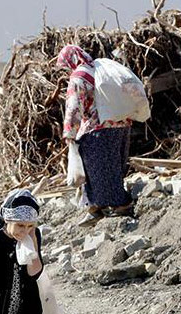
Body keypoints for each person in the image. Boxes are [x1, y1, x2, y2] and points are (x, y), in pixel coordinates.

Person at [57, 45, 134, 227]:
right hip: (120, 126)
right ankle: (95, 208)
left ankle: (121, 205)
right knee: (113, 166)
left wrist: (70, 131)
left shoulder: (79, 77)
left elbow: (74, 106)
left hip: (97, 129)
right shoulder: (100, 70)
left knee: (97, 170)